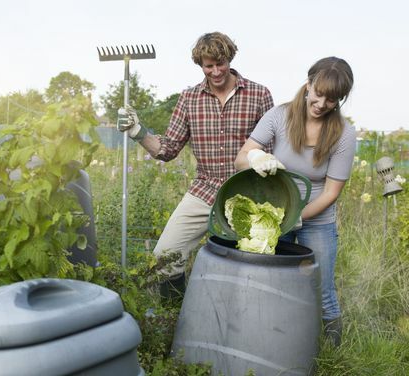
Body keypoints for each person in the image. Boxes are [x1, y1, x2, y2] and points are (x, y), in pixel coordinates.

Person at [117, 31, 274, 301]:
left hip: (249, 191)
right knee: (164, 258)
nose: (215, 71)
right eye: (208, 66)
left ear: (230, 59)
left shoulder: (259, 95)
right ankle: (176, 318)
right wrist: (138, 132)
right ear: (201, 65)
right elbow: (167, 149)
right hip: (206, 189)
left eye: (220, 64)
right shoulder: (190, 99)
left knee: (252, 267)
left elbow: (272, 149)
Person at [234, 56, 356, 346]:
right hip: (274, 214)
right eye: (319, 93)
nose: (323, 103)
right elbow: (241, 158)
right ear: (309, 83)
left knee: (322, 287)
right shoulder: (279, 116)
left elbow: (331, 192)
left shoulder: (344, 133)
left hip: (317, 221)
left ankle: (332, 348)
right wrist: (256, 157)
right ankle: (265, 338)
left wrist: (297, 218)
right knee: (267, 279)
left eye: (333, 99)